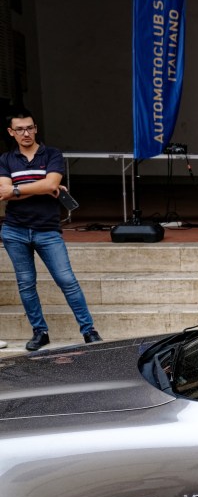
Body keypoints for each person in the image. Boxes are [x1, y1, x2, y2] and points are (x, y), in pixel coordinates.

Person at [0, 108, 102, 351]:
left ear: (36, 128)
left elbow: (51, 184)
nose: (26, 133)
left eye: (30, 128)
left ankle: (89, 331)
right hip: (14, 230)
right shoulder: (5, 159)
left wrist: (18, 189)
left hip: (47, 230)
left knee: (67, 280)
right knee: (26, 284)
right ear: (11, 132)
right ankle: (40, 332)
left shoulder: (52, 154)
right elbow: (4, 192)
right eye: (20, 129)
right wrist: (41, 186)